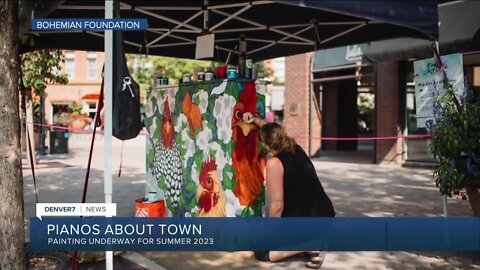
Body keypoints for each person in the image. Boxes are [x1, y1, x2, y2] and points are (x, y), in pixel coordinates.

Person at [244, 112, 335, 269]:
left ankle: (308, 245)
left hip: (306, 224)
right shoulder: (296, 148)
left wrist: (271, 233)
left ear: (266, 146)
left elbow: (277, 204)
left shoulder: (274, 163)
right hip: (325, 216)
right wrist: (255, 120)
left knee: (262, 252)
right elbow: (272, 130)